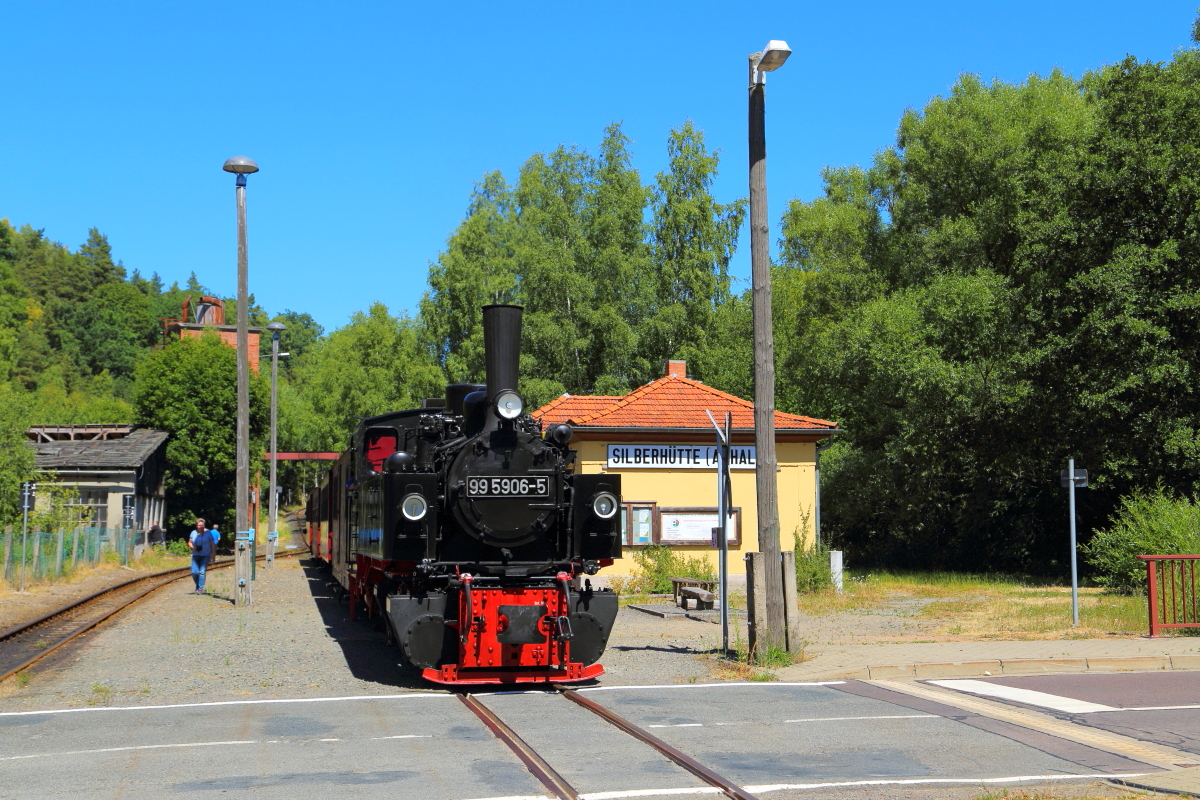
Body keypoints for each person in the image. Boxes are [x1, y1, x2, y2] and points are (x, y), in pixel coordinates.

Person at [189, 518, 214, 594]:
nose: (200, 526)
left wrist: (213, 553)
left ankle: (200, 588)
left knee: (202, 572)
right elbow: (189, 542)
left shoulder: (208, 533)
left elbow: (212, 543)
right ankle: (198, 585)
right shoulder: (193, 533)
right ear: (196, 525)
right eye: (199, 525)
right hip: (195, 554)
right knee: (194, 572)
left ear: (204, 525)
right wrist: (194, 548)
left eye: (202, 525)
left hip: (205, 555)